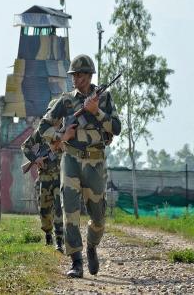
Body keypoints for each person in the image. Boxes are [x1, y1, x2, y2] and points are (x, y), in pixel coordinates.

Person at [37, 54, 121, 278]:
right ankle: (76, 261)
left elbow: (117, 128)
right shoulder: (65, 101)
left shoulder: (104, 98)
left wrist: (96, 112)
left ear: (90, 75)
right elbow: (43, 127)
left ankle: (92, 246)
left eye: (80, 75)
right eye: (73, 76)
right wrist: (61, 136)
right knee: (70, 212)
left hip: (95, 162)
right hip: (71, 161)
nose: (75, 79)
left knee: (99, 217)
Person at [21, 99, 64, 252]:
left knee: (60, 208)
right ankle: (48, 234)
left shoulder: (65, 131)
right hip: (45, 177)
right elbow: (25, 146)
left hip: (61, 176)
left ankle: (60, 240)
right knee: (45, 210)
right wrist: (35, 159)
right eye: (51, 112)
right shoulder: (40, 131)